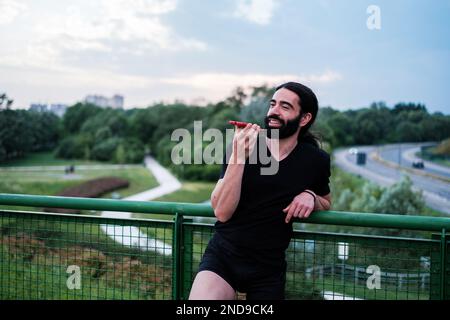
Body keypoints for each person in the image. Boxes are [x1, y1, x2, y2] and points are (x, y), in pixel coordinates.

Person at [189, 82, 332, 300]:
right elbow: (222, 212)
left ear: (304, 118)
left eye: (285, 106)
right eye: (273, 104)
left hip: (268, 268)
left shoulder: (316, 160)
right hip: (223, 256)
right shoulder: (243, 145)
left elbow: (326, 201)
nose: (274, 111)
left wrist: (311, 196)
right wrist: (238, 156)